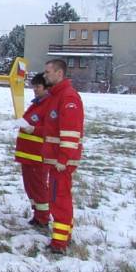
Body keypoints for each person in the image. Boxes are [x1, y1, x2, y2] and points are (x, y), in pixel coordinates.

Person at [42, 59, 84, 254]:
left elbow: (70, 132)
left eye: (48, 72)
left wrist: (63, 158)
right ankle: (63, 236)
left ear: (59, 73)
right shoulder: (56, 96)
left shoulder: (68, 97)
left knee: (59, 199)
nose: (45, 75)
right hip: (56, 160)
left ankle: (59, 243)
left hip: (61, 162)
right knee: (58, 197)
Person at [14, 73, 52, 226]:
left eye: (38, 87)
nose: (34, 90)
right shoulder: (36, 104)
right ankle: (37, 214)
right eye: (33, 86)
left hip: (38, 155)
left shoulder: (49, 105)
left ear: (46, 88)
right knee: (30, 187)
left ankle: (43, 217)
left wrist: (33, 130)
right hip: (28, 155)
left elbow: (52, 129)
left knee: (39, 187)